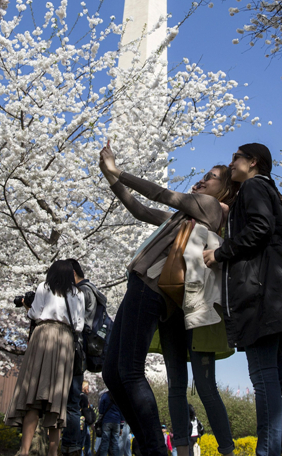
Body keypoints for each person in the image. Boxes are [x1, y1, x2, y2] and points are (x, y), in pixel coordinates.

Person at [99, 142, 233, 456]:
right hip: (148, 285)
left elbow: (163, 194)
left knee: (128, 370)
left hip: (152, 285)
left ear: (225, 191)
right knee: (112, 372)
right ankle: (149, 445)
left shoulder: (212, 208)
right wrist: (112, 179)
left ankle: (155, 449)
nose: (201, 181)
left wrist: (119, 171)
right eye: (202, 176)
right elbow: (142, 210)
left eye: (211, 178)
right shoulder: (185, 217)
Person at [203, 143, 282, 456]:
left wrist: (220, 253)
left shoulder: (253, 186)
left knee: (265, 379)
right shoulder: (270, 191)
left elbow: (259, 228)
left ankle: (267, 451)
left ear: (252, 162)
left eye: (236, 157)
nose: (231, 162)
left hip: (264, 299)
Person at [5, 260, 85, 456]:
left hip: (42, 336)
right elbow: (80, 325)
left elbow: (34, 314)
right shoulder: (79, 294)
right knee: (56, 400)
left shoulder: (43, 287)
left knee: (33, 395)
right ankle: (53, 452)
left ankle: (23, 450)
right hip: (65, 341)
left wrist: (26, 305)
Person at [63, 259, 105, 456]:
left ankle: (70, 446)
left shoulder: (83, 291)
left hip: (77, 349)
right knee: (72, 399)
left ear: (72, 273)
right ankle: (71, 446)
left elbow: (78, 321)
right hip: (85, 350)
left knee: (71, 400)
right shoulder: (92, 290)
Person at [98, 390, 125, 456]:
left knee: (105, 443)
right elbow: (122, 412)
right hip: (117, 422)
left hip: (106, 421)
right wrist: (121, 427)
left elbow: (101, 408)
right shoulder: (119, 397)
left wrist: (100, 417)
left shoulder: (105, 395)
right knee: (115, 444)